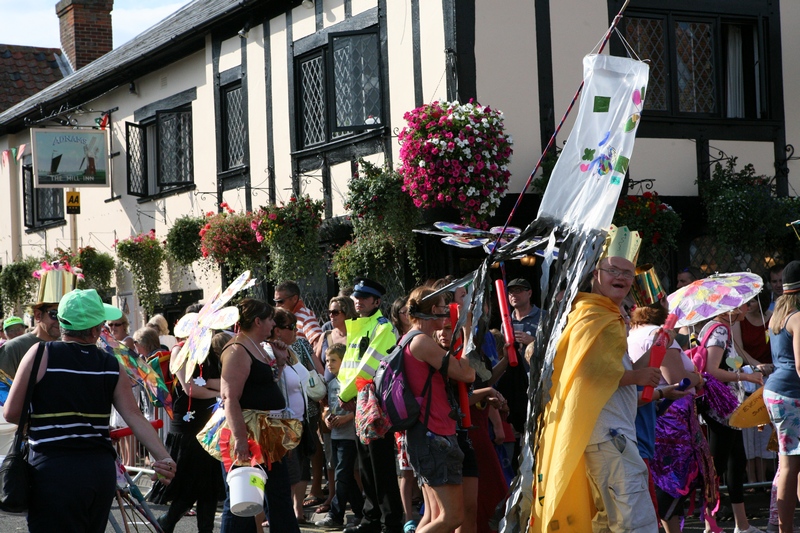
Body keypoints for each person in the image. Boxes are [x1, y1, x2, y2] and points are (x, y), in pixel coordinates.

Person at [3, 288, 175, 532]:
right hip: (98, 471)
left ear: (62, 322)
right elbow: (134, 416)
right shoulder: (109, 363)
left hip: (52, 469)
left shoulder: (41, 353)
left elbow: (11, 413)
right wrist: (164, 457)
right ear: (96, 330)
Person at [532, 225, 662, 532]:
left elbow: (613, 367)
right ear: (596, 273)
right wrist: (636, 376)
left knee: (608, 520)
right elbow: (590, 372)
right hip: (608, 435)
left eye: (628, 273)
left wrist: (654, 352)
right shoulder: (592, 315)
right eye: (613, 270)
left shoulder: (606, 314)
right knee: (635, 520)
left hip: (610, 433)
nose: (621, 277)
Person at [218, 298, 299, 533]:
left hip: (266, 432)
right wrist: (241, 440)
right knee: (244, 499)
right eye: (270, 319)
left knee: (278, 494)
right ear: (257, 321)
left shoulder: (255, 345)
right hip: (250, 434)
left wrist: (280, 363)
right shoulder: (237, 349)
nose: (273, 323)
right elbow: (230, 398)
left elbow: (264, 385)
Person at [403, 285, 476, 533]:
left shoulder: (409, 339)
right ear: (433, 310)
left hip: (427, 435)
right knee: (451, 517)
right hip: (433, 435)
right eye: (444, 307)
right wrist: (467, 332)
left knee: (438, 514)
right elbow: (465, 373)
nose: (448, 312)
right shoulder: (421, 342)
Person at [338, 277, 402, 533]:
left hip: (375, 404)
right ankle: (371, 518)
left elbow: (369, 366)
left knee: (381, 465)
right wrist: (346, 395)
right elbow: (348, 366)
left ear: (377, 301)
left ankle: (391, 522)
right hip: (361, 402)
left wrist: (344, 396)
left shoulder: (382, 327)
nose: (359, 300)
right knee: (366, 465)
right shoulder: (360, 325)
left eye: (365, 297)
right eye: (357, 296)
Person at [697, 302, 765, 533]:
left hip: (727, 408)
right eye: (744, 305)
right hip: (720, 409)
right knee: (716, 466)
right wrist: (745, 377)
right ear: (731, 309)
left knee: (737, 462)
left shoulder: (715, 327)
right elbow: (711, 370)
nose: (747, 309)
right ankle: (709, 524)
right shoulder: (720, 329)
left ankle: (741, 524)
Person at [155, 331, 226, 533]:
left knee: (210, 486)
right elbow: (191, 388)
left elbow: (226, 380)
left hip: (210, 422)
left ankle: (205, 529)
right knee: (189, 484)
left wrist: (215, 387)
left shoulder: (213, 349)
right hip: (188, 426)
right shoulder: (180, 350)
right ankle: (167, 521)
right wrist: (221, 391)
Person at [764, 260, 800, 533]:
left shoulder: (778, 312)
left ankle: (785, 529)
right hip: (792, 394)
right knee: (789, 465)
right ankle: (784, 529)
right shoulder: (798, 317)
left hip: (776, 391)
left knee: (791, 463)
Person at [315, 294, 358, 514]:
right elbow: (317, 366)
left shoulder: (356, 335)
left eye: (336, 312)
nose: (331, 316)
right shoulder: (326, 336)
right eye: (329, 312)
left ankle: (346, 509)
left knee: (349, 467)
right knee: (334, 462)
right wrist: (324, 412)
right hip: (330, 404)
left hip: (352, 410)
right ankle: (337, 501)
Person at [270, 308, 313, 525]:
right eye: (290, 327)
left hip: (297, 424)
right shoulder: (268, 353)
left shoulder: (290, 351)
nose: (295, 331)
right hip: (280, 427)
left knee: (294, 476)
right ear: (276, 330)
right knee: (283, 481)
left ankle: (284, 518)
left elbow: (304, 380)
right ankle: (276, 520)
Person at [315, 342, 365, 528]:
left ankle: (335, 516)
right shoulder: (331, 383)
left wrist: (346, 419)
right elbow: (328, 408)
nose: (329, 364)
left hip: (349, 436)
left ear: (344, 361)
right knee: (345, 477)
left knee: (341, 475)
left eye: (333, 360)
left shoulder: (352, 381)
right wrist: (327, 417)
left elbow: (361, 406)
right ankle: (361, 512)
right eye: (327, 360)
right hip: (335, 436)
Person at [0, 302, 62, 378]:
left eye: (67, 315)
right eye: (55, 314)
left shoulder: (70, 347)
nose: (61, 320)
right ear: (38, 315)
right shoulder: (13, 348)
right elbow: (3, 387)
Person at [275, 280, 323, 346]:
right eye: (276, 301)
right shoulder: (284, 316)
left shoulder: (306, 317)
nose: (277, 305)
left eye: (280, 301)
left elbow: (319, 343)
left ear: (294, 299)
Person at [507, 278, 541, 349]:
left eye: (518, 290)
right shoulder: (506, 321)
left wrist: (533, 341)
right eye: (510, 291)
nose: (513, 294)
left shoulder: (544, 317)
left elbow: (555, 344)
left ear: (529, 293)